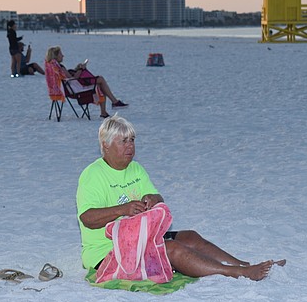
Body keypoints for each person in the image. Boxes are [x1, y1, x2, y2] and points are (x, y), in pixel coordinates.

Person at [77, 115, 284, 281]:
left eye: (132, 140)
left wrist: (152, 199)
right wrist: (122, 210)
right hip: (106, 252)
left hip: (138, 238)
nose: (130, 146)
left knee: (190, 237)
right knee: (171, 249)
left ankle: (242, 264)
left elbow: (159, 198)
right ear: (105, 145)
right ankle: (235, 273)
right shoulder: (92, 175)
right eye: (123, 141)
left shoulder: (135, 169)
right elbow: (87, 218)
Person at [45, 46, 128, 118]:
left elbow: (69, 78)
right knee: (100, 81)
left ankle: (109, 107)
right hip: (75, 89)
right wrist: (81, 69)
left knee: (99, 82)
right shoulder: (60, 67)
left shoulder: (54, 66)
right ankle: (112, 104)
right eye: (60, 54)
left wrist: (77, 69)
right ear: (55, 56)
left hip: (69, 88)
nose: (63, 55)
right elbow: (73, 78)